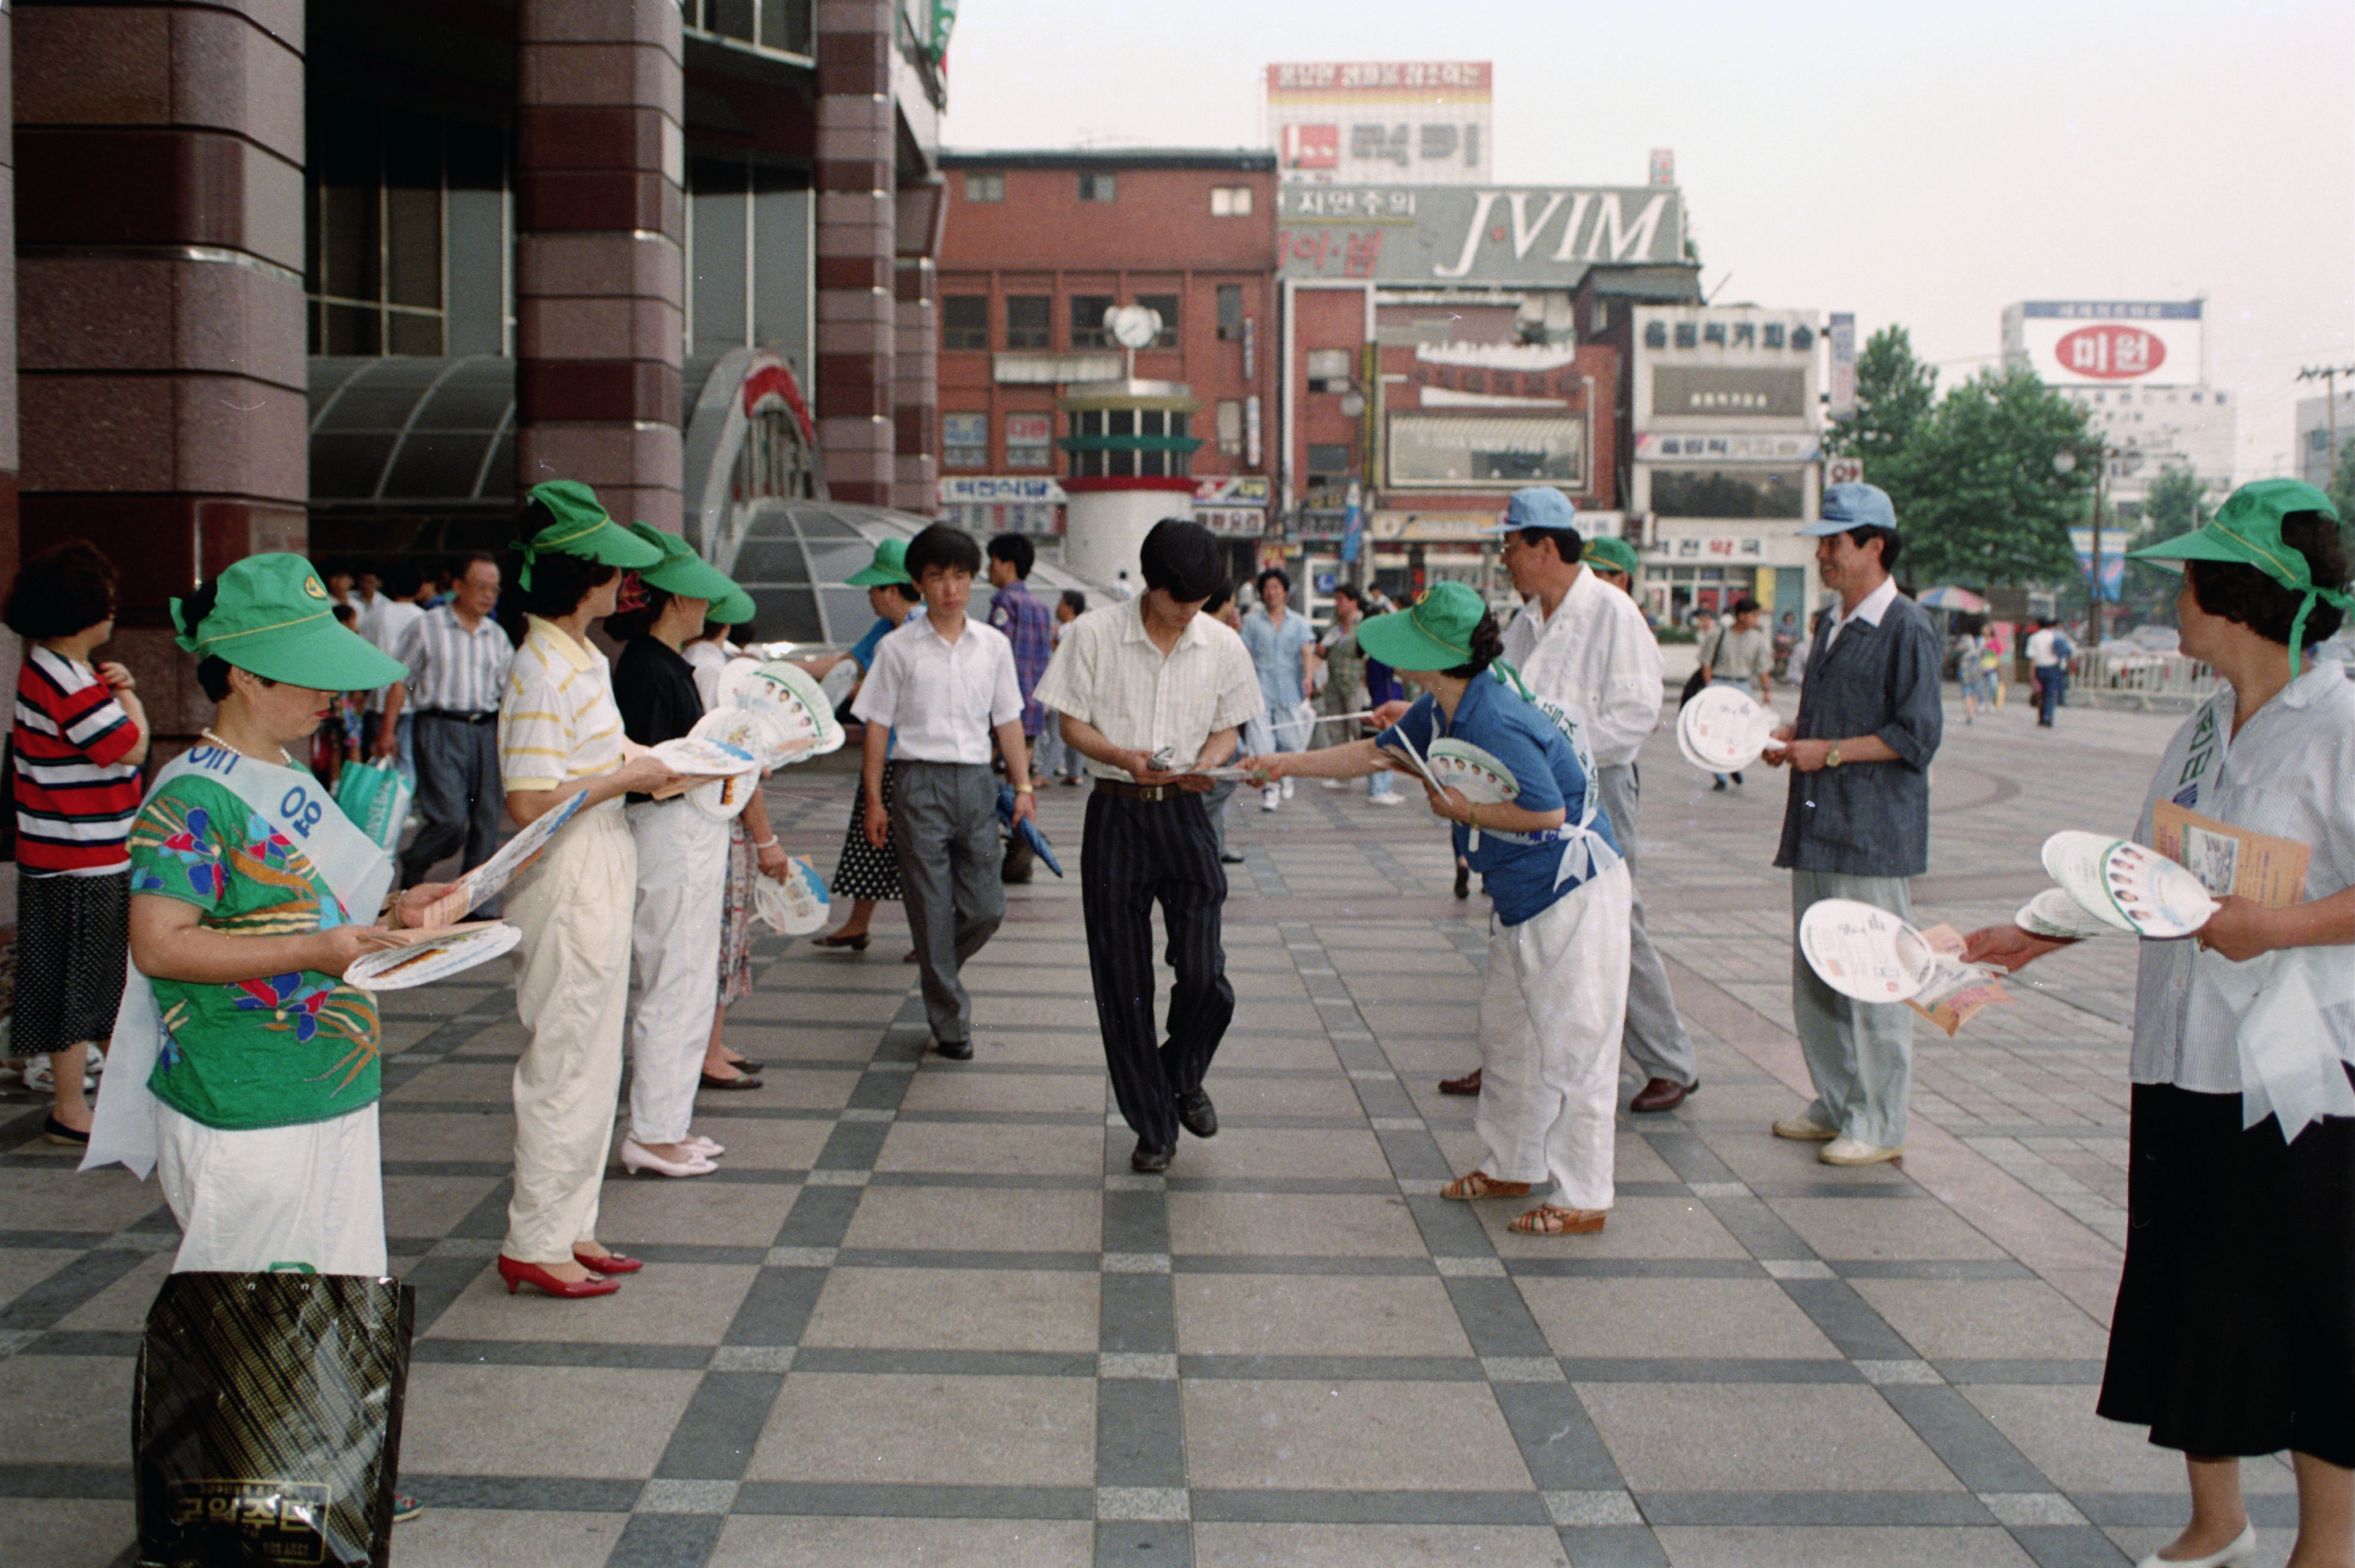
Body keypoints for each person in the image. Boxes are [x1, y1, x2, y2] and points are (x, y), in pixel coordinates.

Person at [1963, 479, 2355, 1568]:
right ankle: (2214, 1518)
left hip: (2295, 1078)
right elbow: (2132, 873)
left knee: (2310, 1304)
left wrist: (2275, 926)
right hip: (2181, 1055)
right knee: (2198, 1285)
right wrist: (2024, 934)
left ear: (2235, 597)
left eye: (2185, 581)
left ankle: (2327, 1544)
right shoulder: (2196, 729)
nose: (2171, 600)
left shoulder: (2339, 726)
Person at [1247, 582, 1633, 1234]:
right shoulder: (1448, 702)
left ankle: (1584, 1193)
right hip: (1519, 893)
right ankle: (1513, 1160)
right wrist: (1285, 763)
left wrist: (1467, 810)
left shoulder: (1492, 717)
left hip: (1570, 891)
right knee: (1507, 1033)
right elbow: (1377, 752)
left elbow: (1548, 812)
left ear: (1440, 655)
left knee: (1575, 1041)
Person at [117, 554, 449, 1277]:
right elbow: (161, 945)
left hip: (331, 1083)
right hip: (247, 1099)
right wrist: (313, 949)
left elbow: (301, 908)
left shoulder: (291, 771)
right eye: (310, 670)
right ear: (242, 672)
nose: (333, 693)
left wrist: (395, 910)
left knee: (334, 1320)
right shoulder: (192, 798)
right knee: (252, 1337)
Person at [1435, 490, 1697, 1115]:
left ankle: (1668, 1062)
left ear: (1544, 546)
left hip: (1598, 788)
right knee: (1526, 913)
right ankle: (1510, 1057)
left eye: (1510, 544)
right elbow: (1505, 697)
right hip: (1531, 792)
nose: (1504, 558)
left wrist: (1557, 751)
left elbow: (1636, 716)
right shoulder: (1526, 620)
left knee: (1612, 916)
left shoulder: (1613, 612)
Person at [493, 482, 678, 1297]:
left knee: (596, 1054)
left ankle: (572, 1225)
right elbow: (530, 799)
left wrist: (658, 767)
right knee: (567, 1054)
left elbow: (594, 757)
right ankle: (536, 1238)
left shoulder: (576, 657)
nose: (624, 587)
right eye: (614, 573)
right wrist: (627, 778)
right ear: (586, 578)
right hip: (565, 867)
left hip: (597, 856)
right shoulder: (541, 666)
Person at [1034, 518, 1261, 1172]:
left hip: (1187, 811)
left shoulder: (1220, 644)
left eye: (1199, 602)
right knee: (1122, 979)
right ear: (1150, 585)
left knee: (1203, 970)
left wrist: (1206, 761)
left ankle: (1182, 1068)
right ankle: (1154, 1124)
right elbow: (1069, 721)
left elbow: (1230, 728)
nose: (1188, 613)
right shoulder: (1092, 635)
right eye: (1178, 600)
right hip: (1117, 814)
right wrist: (1120, 756)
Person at [1762, 482, 1944, 1166]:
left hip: (1870, 832)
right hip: (1816, 824)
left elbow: (1917, 735)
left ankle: (1880, 1119)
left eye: (1833, 543)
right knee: (1818, 972)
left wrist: (1828, 751)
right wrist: (1792, 734)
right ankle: (1837, 1100)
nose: (1822, 555)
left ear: (1874, 545)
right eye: (1821, 543)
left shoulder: (1907, 627)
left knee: (1873, 979)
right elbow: (1827, 720)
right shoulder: (1828, 623)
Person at [609, 525, 768, 1180]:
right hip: (668, 837)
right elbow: (649, 773)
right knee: (672, 982)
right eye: (699, 596)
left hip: (692, 835)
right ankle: (651, 1130)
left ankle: (668, 1124)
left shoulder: (668, 663)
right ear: (678, 599)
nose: (708, 608)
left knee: (690, 980)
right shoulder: (648, 667)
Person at [853, 524, 1031, 1059]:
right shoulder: (897, 648)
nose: (950, 588)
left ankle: (936, 964)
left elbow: (1009, 721)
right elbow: (878, 728)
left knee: (987, 907)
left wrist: (1022, 786)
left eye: (959, 576)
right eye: (937, 577)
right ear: (918, 582)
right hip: (916, 784)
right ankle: (951, 1024)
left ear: (972, 580)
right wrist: (875, 801)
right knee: (930, 907)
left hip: (977, 784)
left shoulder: (993, 646)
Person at [7, 541, 149, 1143]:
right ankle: (74, 1106)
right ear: (83, 612)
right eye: (107, 603)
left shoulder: (51, 669)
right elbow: (131, 746)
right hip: (84, 858)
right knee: (87, 985)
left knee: (70, 983)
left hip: (59, 853)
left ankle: (95, 1099)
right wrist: (131, 693)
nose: (114, 613)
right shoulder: (70, 682)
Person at [682, 601, 786, 1089]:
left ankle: (712, 1041)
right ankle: (707, 1051)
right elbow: (738, 760)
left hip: (708, 816)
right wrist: (767, 839)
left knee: (723, 933)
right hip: (724, 818)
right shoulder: (714, 670)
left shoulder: (695, 664)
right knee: (725, 932)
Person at [381, 553, 514, 888]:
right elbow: (402, 681)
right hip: (439, 728)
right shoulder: (428, 626)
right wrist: (388, 730)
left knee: (486, 820)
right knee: (451, 820)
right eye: (481, 587)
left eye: (494, 590)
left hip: (486, 731)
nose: (488, 595)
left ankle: (475, 901)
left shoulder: (496, 636)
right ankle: (416, 860)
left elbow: (510, 692)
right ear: (457, 586)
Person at [816, 539, 922, 951]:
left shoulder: (922, 631)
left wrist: (855, 689)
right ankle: (857, 923)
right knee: (871, 839)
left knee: (915, 848)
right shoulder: (887, 630)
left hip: (911, 755)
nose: (869, 597)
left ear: (891, 590)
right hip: (884, 753)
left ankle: (927, 936)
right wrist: (788, 671)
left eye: (873, 588)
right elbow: (846, 665)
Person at [986, 533, 1055, 882]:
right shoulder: (1042, 608)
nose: (988, 569)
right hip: (1033, 706)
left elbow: (995, 653)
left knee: (987, 778)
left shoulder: (1003, 603)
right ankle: (1022, 849)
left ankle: (1006, 849)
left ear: (1007, 565)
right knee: (1021, 780)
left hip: (1005, 707)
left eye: (993, 561)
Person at [1309, 585, 1400, 804]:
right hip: (1334, 684)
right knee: (1337, 733)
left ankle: (1376, 784)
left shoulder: (1364, 623)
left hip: (1356, 686)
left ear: (1353, 602)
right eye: (1336, 599)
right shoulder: (1335, 625)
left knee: (1362, 732)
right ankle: (1342, 776)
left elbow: (1372, 652)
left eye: (1341, 599)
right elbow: (1323, 651)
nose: (1337, 604)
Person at [1240, 567, 1317, 812]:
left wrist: (1308, 678)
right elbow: (1244, 653)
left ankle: (1287, 775)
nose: (1271, 593)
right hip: (1259, 688)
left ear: (1284, 591)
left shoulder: (1298, 622)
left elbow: (1307, 652)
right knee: (1260, 741)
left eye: (1276, 588)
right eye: (1267, 589)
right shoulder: (1252, 621)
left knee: (1290, 739)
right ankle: (1269, 790)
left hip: (1289, 688)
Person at [361, 563, 430, 780]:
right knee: (406, 758)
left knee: (378, 757)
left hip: (377, 699)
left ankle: (379, 809)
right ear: (420, 589)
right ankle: (404, 808)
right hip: (411, 702)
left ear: (392, 586)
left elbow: (363, 655)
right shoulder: (424, 619)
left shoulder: (374, 615)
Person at [1698, 595, 1773, 789]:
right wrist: (1709, 688)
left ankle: (1732, 764)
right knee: (1716, 732)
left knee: (1739, 731)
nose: (1756, 620)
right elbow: (1706, 662)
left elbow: (1762, 667)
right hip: (1720, 684)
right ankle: (1720, 776)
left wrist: (1766, 692)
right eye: (1754, 616)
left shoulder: (1757, 639)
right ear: (1741, 616)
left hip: (1742, 686)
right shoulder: (1719, 634)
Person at [1037, 589, 1089, 785]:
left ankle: (1045, 774)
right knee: (1074, 731)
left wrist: (1052, 641)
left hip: (1063, 688)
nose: (1057, 608)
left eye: (1060, 603)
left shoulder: (1066, 630)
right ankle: (1075, 773)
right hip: (1079, 689)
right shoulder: (1083, 628)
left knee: (1056, 732)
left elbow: (1065, 657)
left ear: (1069, 606)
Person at [2027, 616, 2072, 727]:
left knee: (2040, 693)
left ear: (2038, 625)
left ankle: (2042, 718)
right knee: (2050, 693)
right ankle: (2049, 716)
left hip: (2039, 668)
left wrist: (2032, 673)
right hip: (2053, 667)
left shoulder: (2034, 638)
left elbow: (2032, 658)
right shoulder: (2054, 636)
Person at [1954, 621, 1988, 726]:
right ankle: (1973, 712)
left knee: (1967, 692)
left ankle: (1970, 715)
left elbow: (1958, 651)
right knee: (1975, 692)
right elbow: (1984, 654)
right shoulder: (1982, 641)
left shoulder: (1965, 639)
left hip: (1966, 668)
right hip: (1977, 669)